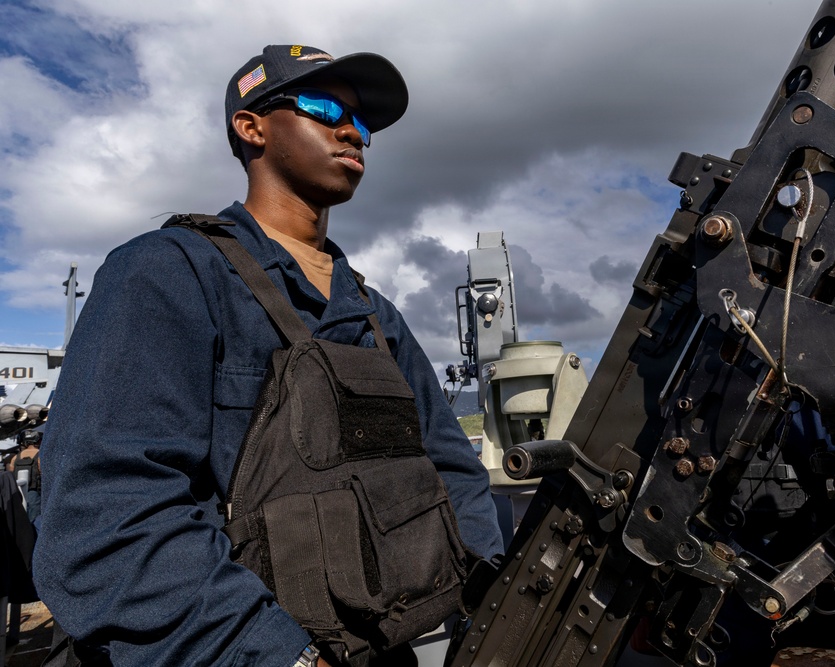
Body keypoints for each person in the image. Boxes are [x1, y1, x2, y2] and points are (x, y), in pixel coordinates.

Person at [34, 45, 503, 666]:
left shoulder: (373, 312)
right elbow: (108, 522)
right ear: (251, 126)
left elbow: (453, 471)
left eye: (362, 123)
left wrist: (494, 610)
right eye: (323, 107)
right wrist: (284, 656)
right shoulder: (169, 274)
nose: (350, 130)